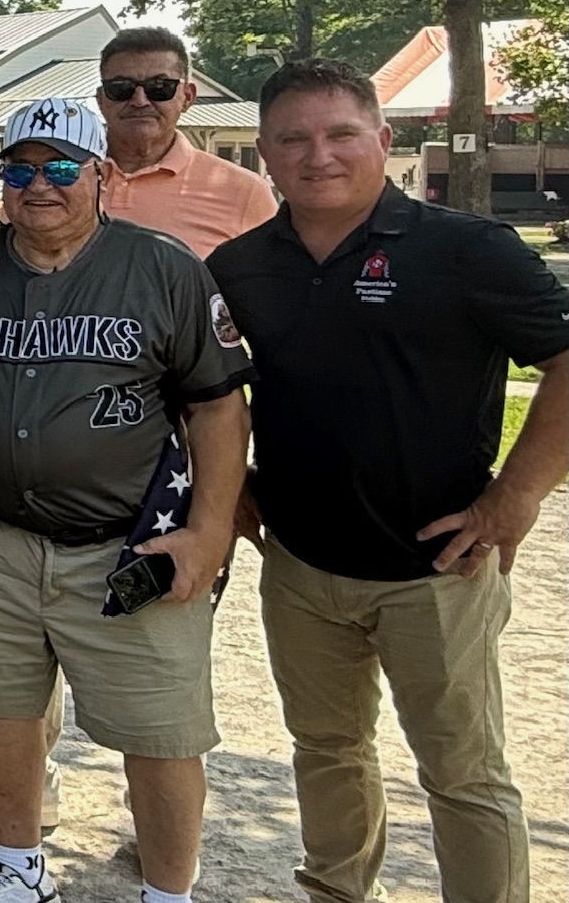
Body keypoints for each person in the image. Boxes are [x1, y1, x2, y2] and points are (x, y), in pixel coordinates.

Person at [207, 59, 569, 903]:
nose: (318, 156)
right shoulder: (241, 266)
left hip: (437, 567)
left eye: (340, 134)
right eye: (293, 139)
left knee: (464, 773)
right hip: (301, 565)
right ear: (264, 151)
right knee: (326, 749)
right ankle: (336, 892)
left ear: (383, 135)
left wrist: (515, 496)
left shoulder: (467, 250)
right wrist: (234, 485)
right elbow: (207, 392)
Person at [0, 97, 254, 903]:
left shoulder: (163, 267)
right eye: (20, 169)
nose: (39, 185)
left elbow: (218, 407)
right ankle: (17, 867)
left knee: (161, 734)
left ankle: (168, 894)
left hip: (128, 542)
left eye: (61, 167)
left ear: (103, 176)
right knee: (2, 710)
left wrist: (209, 533)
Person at [97, 27, 276, 259]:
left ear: (188, 96)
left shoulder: (246, 193)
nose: (140, 101)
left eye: (159, 88)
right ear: (101, 99)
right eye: (121, 88)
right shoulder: (61, 179)